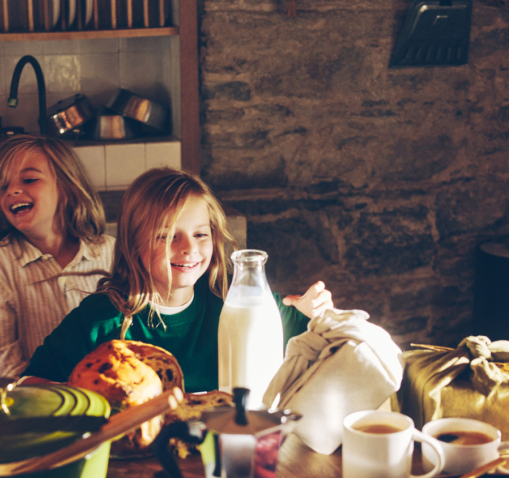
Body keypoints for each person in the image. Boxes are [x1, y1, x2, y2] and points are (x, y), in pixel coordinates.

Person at [25, 167, 333, 392]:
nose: (189, 248)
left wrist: (315, 314)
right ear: (135, 243)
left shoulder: (234, 297)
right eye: (168, 236)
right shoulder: (101, 319)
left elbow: (322, 347)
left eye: (200, 234)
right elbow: (30, 383)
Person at [0, 135, 115, 379]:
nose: (13, 191)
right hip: (40, 407)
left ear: (68, 187)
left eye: (29, 179)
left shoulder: (111, 252)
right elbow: (1, 365)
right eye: (3, 186)